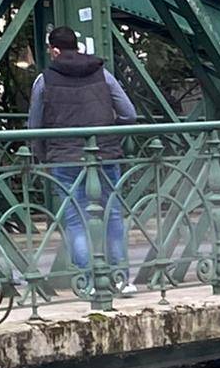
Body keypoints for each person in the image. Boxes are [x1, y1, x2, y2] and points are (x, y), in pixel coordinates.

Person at [28, 26, 138, 293]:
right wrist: (109, 134)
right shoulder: (103, 73)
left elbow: (34, 126)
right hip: (104, 153)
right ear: (77, 46)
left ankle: (87, 283)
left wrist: (44, 156)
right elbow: (129, 114)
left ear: (54, 50)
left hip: (65, 158)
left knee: (76, 219)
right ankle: (121, 279)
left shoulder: (44, 80)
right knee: (112, 214)